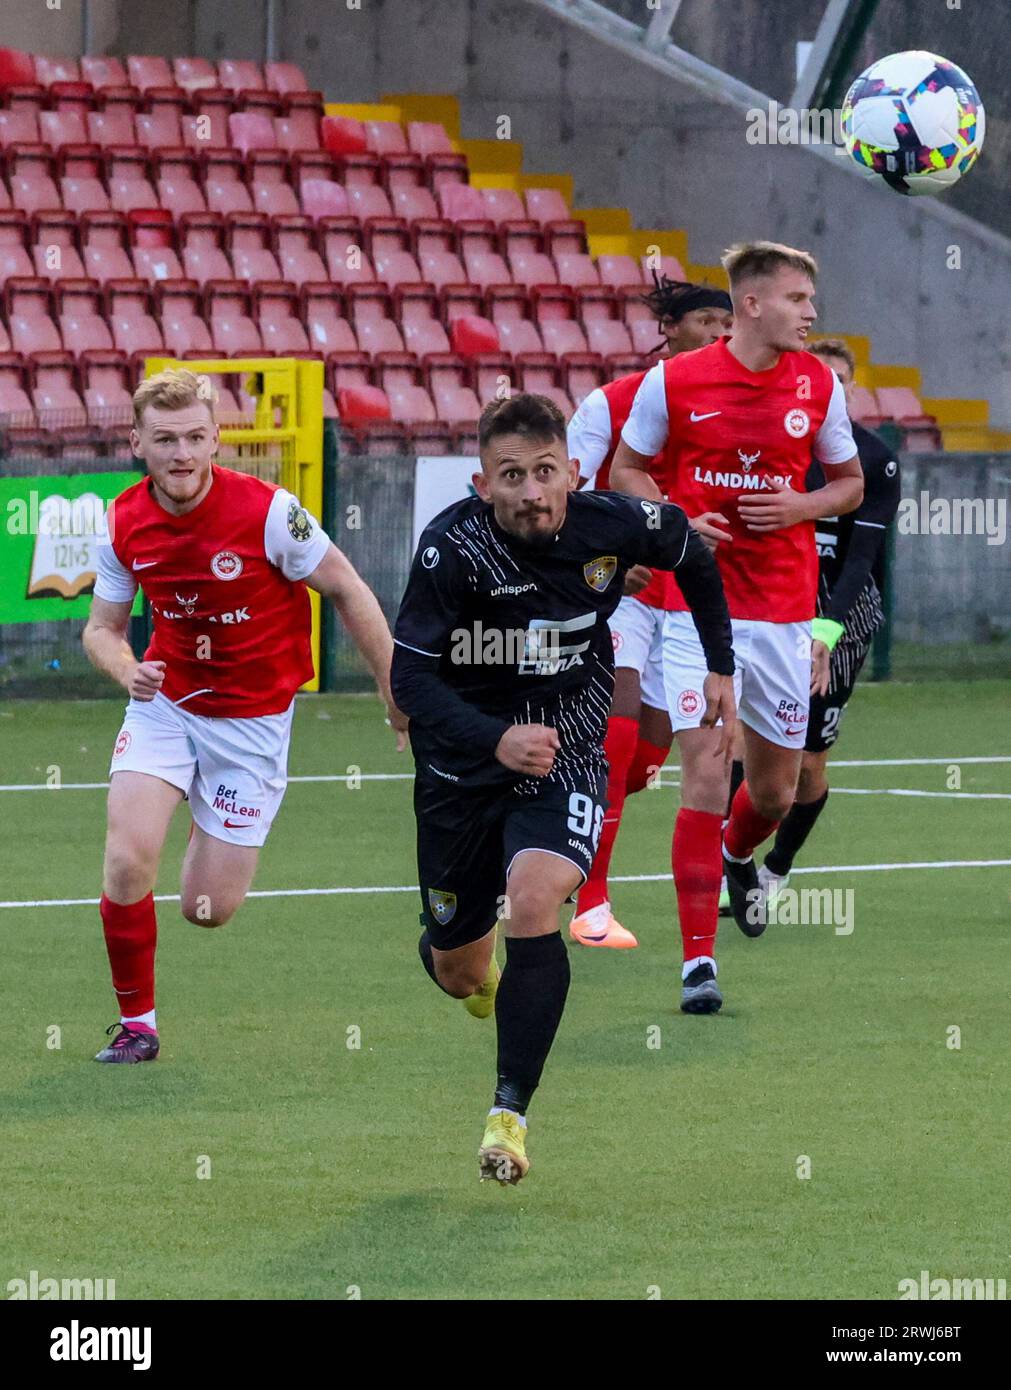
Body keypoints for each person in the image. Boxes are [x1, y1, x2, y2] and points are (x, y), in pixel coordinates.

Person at [391, 393, 735, 1184]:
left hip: (567, 750)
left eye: (545, 472)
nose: (530, 491)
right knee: (458, 970)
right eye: (510, 476)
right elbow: (410, 676)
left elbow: (696, 555)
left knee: (537, 897)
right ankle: (473, 970)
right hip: (460, 769)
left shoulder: (614, 522)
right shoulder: (452, 551)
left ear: (571, 472)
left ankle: (508, 1116)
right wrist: (494, 739)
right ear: (482, 484)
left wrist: (719, 662)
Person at [83, 368, 405, 1063]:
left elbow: (347, 587)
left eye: (195, 437)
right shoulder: (122, 521)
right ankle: (138, 1026)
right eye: (165, 439)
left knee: (208, 910)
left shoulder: (268, 512)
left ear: (217, 439)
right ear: (137, 441)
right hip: (166, 705)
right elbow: (101, 629)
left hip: (253, 723)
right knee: (125, 860)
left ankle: (209, 820)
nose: (181, 454)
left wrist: (392, 688)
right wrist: (124, 669)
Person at [610, 241, 864, 989]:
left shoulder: (817, 384)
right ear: (751, 304)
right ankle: (697, 961)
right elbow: (628, 469)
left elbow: (847, 485)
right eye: (796, 299)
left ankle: (735, 854)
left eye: (810, 301)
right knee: (703, 772)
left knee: (776, 792)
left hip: (784, 612)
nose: (810, 313)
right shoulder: (675, 381)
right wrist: (677, 517)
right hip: (696, 609)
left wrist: (800, 504)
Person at [566, 279, 733, 949]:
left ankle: (547, 817)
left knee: (645, 760)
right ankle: (591, 902)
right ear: (669, 326)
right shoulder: (611, 402)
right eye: (704, 320)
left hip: (691, 601)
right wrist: (604, 559)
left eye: (727, 321)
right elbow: (568, 495)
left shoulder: (733, 408)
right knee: (617, 735)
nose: (719, 333)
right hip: (621, 591)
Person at [759, 338, 901, 898]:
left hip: (840, 613)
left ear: (851, 386)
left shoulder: (872, 459)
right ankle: (734, 859)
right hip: (770, 607)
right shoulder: (770, 445)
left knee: (807, 766)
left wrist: (826, 630)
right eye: (821, 377)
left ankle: (777, 867)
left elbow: (862, 560)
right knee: (742, 749)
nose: (831, 388)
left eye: (841, 379)